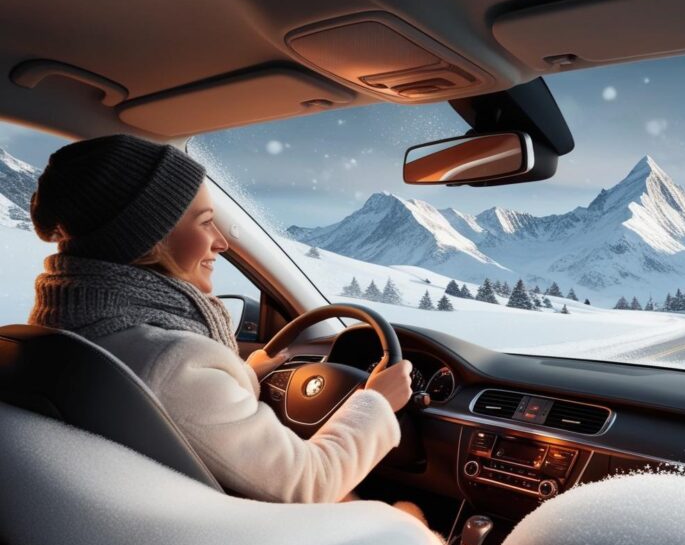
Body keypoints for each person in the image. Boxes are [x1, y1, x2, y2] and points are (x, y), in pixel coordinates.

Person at [27, 134, 417, 506]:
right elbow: (309, 483)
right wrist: (377, 403)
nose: (221, 241)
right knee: (408, 525)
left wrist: (243, 374)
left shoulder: (56, 331)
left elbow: (182, 408)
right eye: (205, 221)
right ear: (151, 239)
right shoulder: (172, 364)